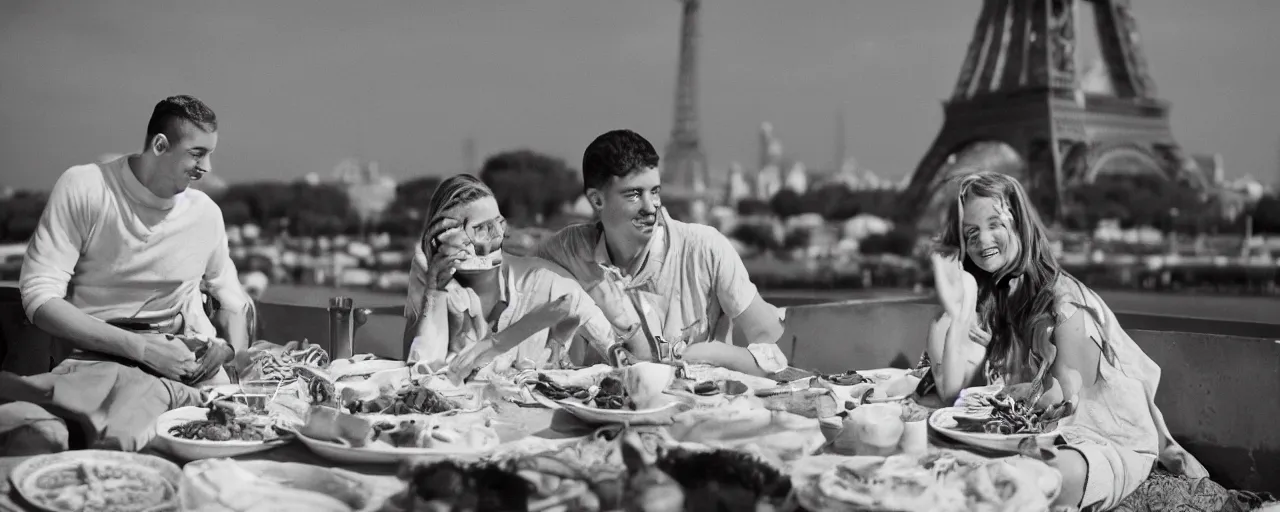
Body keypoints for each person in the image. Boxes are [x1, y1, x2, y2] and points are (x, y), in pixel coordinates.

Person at [923, 171, 1271, 510]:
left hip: (1100, 441)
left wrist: (1006, 397)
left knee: (1035, 478)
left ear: (1020, 224)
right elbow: (955, 393)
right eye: (971, 233)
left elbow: (1070, 408)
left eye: (995, 224)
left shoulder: (1065, 305)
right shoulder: (996, 300)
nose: (983, 241)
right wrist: (963, 310)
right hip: (1041, 436)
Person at [0, 95, 251, 453]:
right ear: (160, 145)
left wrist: (228, 349)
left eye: (210, 153)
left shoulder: (206, 213)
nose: (207, 167)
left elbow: (231, 299)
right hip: (95, 360)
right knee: (38, 437)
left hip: (186, 366)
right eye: (197, 153)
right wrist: (142, 349)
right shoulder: (87, 187)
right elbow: (39, 298)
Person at [533, 130, 789, 377]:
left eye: (654, 191)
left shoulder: (705, 248)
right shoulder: (567, 250)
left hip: (706, 409)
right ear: (597, 200)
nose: (651, 207)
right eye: (634, 194)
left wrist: (713, 352)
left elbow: (775, 348)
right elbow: (510, 281)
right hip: (605, 411)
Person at [402, 174, 647, 378]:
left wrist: (621, 346)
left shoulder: (542, 282)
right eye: (482, 229)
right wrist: (435, 293)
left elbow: (616, 349)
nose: (497, 235)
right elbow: (420, 372)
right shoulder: (429, 271)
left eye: (499, 224)